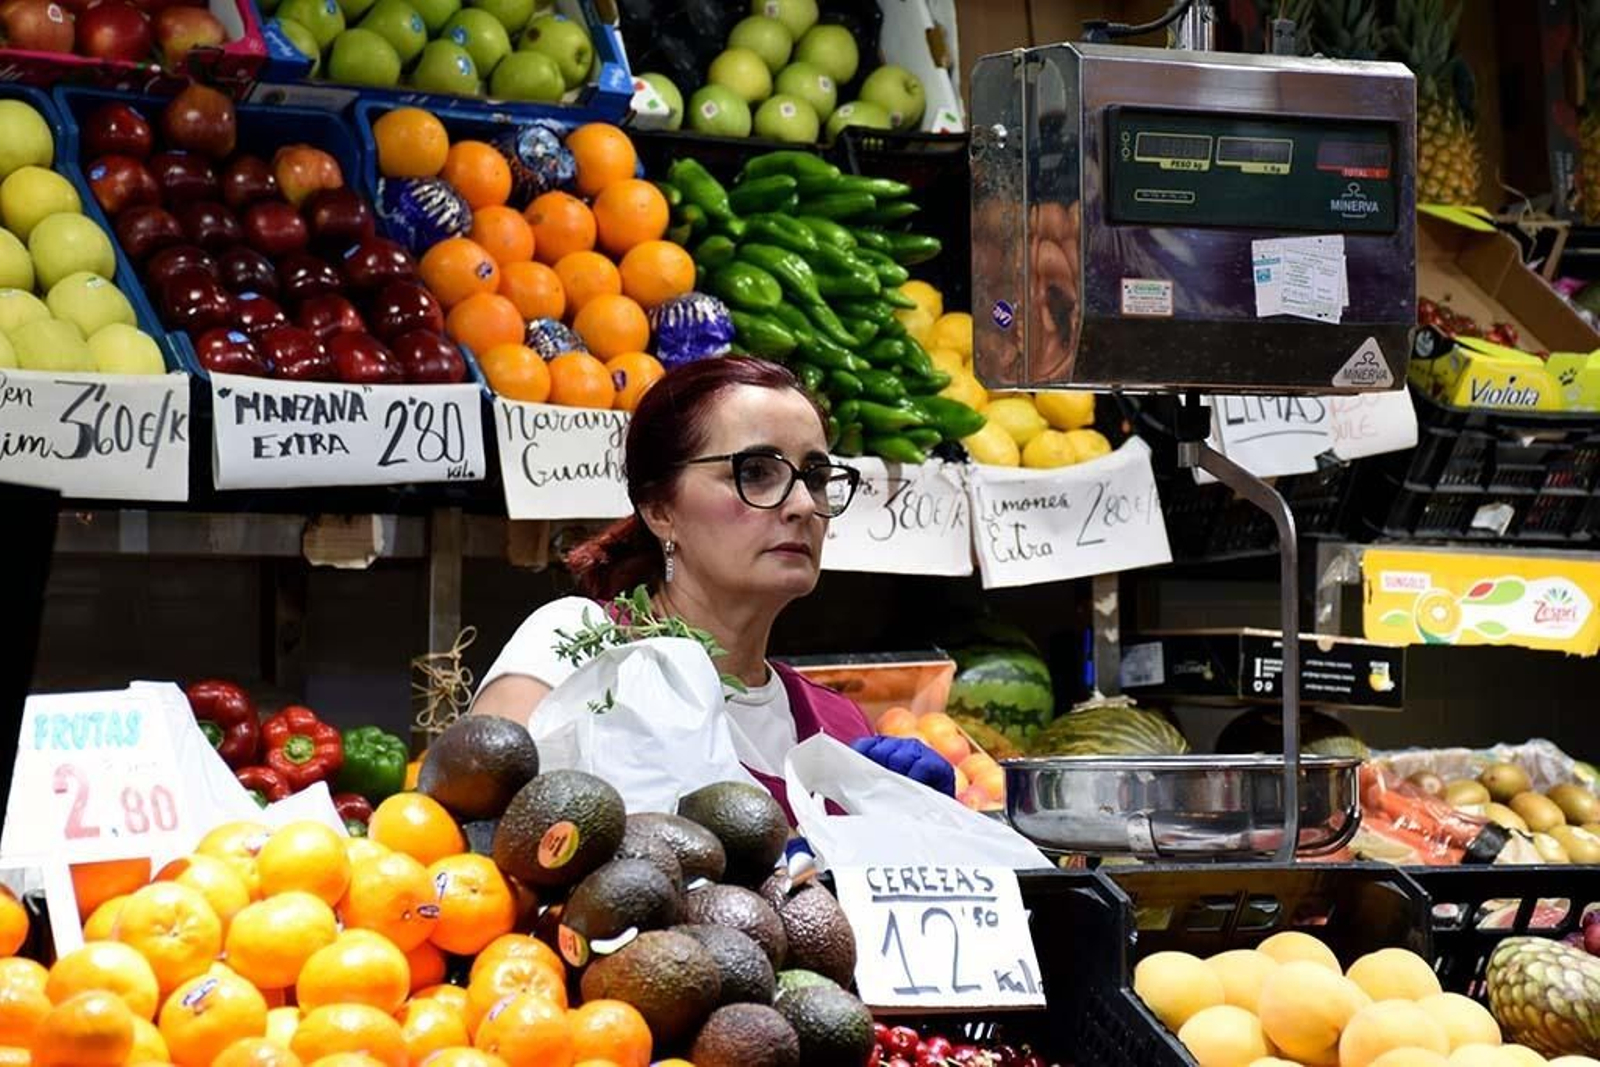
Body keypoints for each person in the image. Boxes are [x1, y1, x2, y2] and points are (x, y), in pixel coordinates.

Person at [473, 356, 952, 819]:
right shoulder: (573, 650)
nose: (804, 504)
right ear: (660, 509)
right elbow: (474, 846)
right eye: (756, 473)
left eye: (816, 477)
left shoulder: (839, 728)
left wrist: (917, 824)